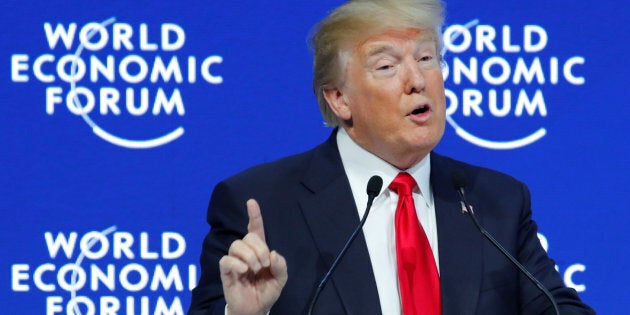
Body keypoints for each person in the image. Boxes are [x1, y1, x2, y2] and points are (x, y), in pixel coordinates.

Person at [188, 0, 595, 314]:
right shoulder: (263, 203)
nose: (417, 81)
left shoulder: (496, 201)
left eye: (426, 58)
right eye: (387, 65)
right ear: (340, 99)